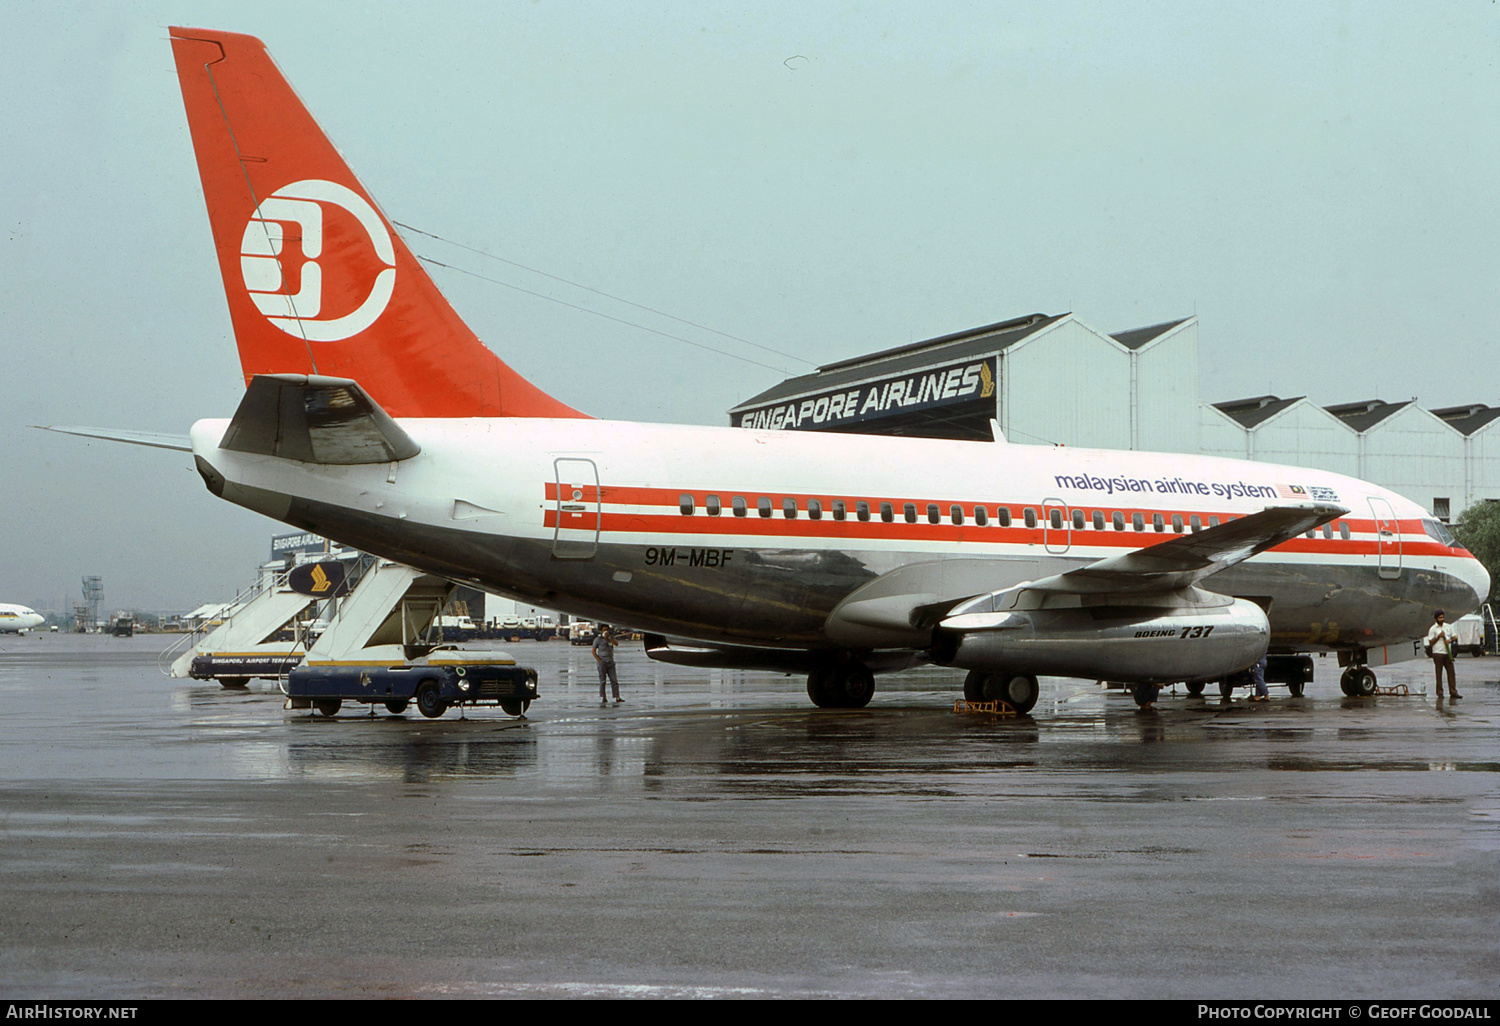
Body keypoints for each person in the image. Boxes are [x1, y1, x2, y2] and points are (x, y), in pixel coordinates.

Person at [1426, 610, 1462, 699]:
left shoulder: (1448, 626)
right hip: (1438, 653)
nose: (1442, 619)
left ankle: (1453, 691)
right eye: (1440, 618)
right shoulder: (1433, 629)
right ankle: (1440, 692)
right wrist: (1438, 637)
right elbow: (1430, 642)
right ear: (1436, 619)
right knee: (1439, 673)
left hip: (1447, 653)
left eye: (1442, 617)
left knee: (1451, 672)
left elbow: (1454, 637)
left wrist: (1449, 640)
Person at [592, 624, 622, 704]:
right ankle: (603, 697)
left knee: (614, 680)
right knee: (603, 680)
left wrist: (609, 638)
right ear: (601, 631)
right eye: (604, 629)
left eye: (607, 630)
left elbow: (616, 644)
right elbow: (593, 651)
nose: (606, 631)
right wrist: (599, 660)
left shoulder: (611, 638)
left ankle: (617, 697)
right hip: (602, 662)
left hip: (610, 662)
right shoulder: (598, 639)